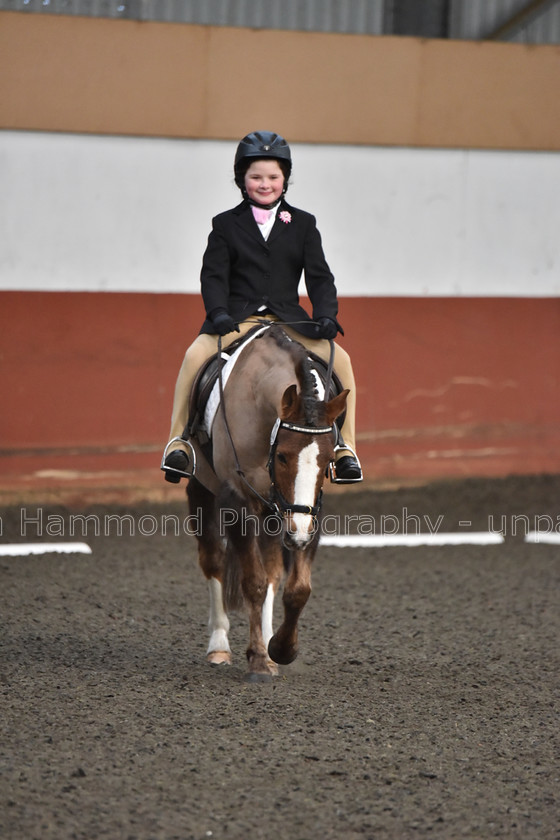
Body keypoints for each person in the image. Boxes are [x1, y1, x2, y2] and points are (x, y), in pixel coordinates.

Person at [162, 130, 362, 484]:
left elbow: (320, 277)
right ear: (242, 180)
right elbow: (213, 277)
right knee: (195, 356)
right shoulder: (225, 224)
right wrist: (218, 312)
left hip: (289, 322)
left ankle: (346, 447)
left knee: (341, 360)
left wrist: (327, 315)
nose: (264, 184)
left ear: (285, 180)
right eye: (256, 177)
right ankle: (179, 441)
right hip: (238, 319)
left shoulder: (303, 224)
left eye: (272, 177)